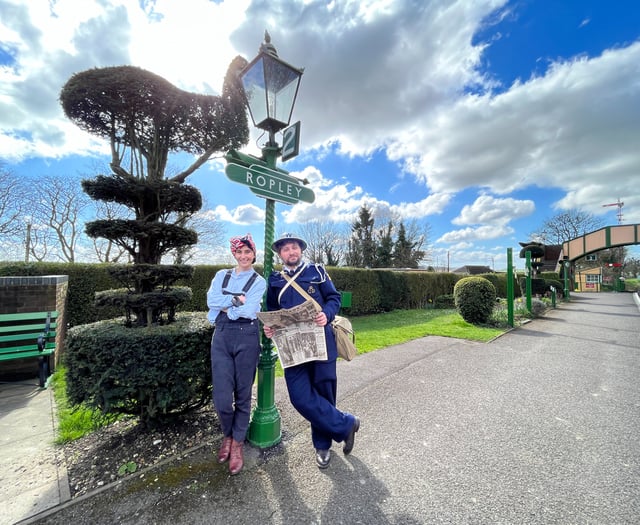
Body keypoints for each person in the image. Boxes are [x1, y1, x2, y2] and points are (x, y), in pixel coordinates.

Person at [262, 233, 360, 469]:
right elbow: (272, 310)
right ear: (280, 254)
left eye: (294, 247)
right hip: (292, 349)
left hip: (321, 343)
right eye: (285, 249)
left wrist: (325, 314)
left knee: (324, 394)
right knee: (300, 397)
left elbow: (334, 298)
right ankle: (347, 423)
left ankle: (322, 446)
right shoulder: (275, 279)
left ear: (301, 250)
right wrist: (270, 327)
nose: (290, 252)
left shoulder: (317, 271)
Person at [207, 233, 266, 475]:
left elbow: (250, 309)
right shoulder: (222, 275)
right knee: (221, 398)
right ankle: (228, 435)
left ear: (254, 254)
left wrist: (227, 306)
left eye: (247, 252)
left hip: (247, 336)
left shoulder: (259, 281)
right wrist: (235, 301)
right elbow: (211, 300)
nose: (243, 256)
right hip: (221, 337)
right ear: (234, 254)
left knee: (243, 392)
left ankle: (237, 442)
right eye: (239, 252)